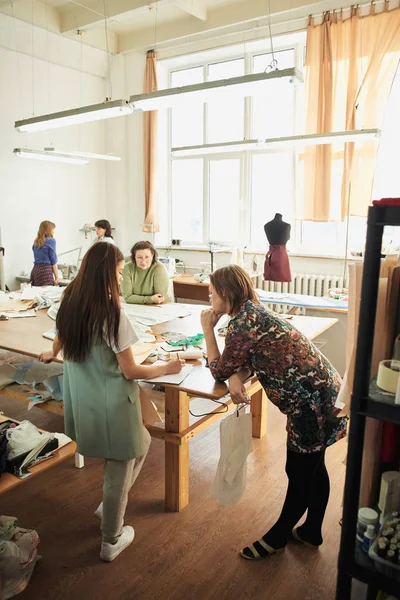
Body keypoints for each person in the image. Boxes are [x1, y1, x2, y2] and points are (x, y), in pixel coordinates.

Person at [39, 243, 184, 562]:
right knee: (118, 466)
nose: (120, 279)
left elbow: (60, 336)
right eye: (118, 272)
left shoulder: (70, 301)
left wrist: (53, 352)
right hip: (111, 401)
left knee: (143, 440)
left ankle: (110, 506)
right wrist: (167, 367)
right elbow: (131, 370)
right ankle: (111, 538)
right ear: (106, 272)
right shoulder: (110, 313)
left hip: (84, 396)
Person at [200, 265, 347, 561]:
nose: (209, 296)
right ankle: (311, 531)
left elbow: (219, 368)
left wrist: (207, 329)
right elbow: (252, 356)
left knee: (300, 471)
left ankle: (278, 537)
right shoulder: (252, 311)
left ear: (225, 293)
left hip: (311, 404)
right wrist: (235, 375)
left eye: (211, 291)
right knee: (314, 466)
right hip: (324, 393)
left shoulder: (241, 323)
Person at [121, 241, 173, 305]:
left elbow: (159, 298)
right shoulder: (127, 268)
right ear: (134, 257)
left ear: (152, 255)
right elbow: (127, 297)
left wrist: (137, 298)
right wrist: (150, 299)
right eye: (139, 257)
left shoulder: (159, 268)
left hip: (161, 306)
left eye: (147, 257)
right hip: (136, 306)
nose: (143, 262)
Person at [263, 213, 292, 283]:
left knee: (273, 280)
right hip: (280, 256)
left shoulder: (267, 225)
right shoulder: (286, 226)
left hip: (271, 255)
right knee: (280, 280)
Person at [31, 220, 58, 286]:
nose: (53, 231)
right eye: (52, 229)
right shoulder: (51, 241)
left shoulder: (35, 243)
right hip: (45, 271)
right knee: (47, 294)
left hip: (35, 271)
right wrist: (57, 278)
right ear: (48, 230)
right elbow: (53, 260)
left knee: (36, 294)